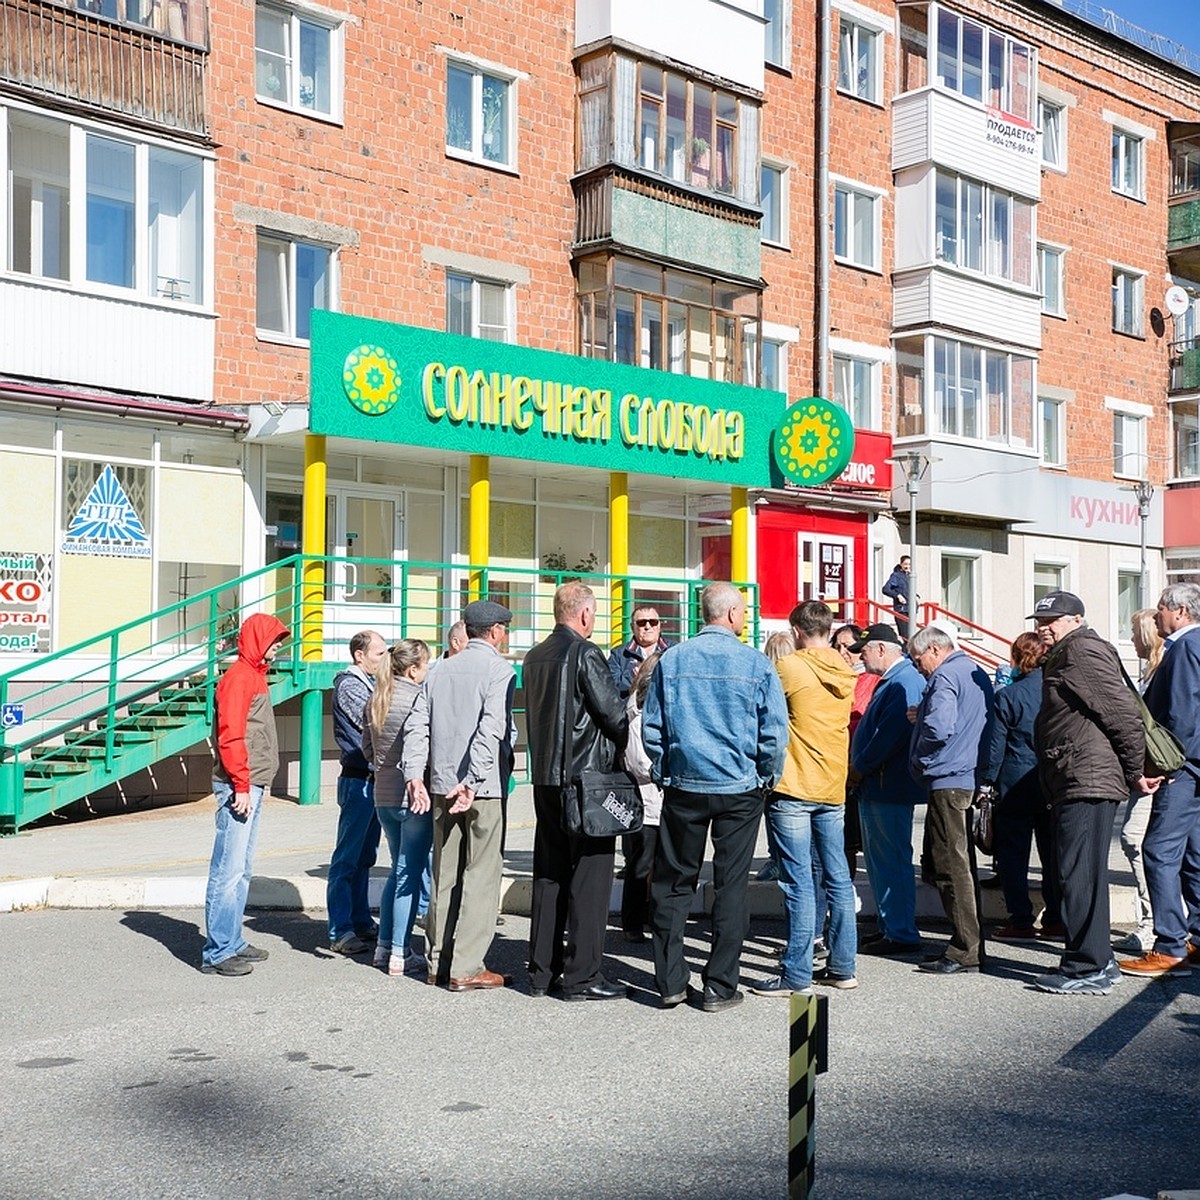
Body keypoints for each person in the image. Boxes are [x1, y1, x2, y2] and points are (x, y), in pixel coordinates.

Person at [642, 583, 787, 1012]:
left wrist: (664, 768)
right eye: (742, 612)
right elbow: (774, 734)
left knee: (673, 884)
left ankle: (670, 981)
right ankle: (720, 984)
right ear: (731, 615)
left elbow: (653, 727)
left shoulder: (673, 659)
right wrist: (766, 776)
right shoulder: (756, 663)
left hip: (685, 784)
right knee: (731, 885)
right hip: (739, 787)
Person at [1031, 591, 1144, 995]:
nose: (1044, 628)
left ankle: (1086, 967)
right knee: (1083, 875)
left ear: (1077, 619)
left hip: (1087, 778)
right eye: (1040, 621)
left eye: (1053, 620)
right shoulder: (1071, 650)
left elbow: (1122, 713)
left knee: (1077, 875)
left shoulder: (1081, 651)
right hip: (1080, 775)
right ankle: (1099, 960)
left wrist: (1135, 771)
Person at [523, 582, 629, 1000]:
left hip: (546, 777)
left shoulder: (534, 656)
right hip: (587, 782)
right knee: (590, 877)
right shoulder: (585, 653)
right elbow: (613, 715)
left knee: (548, 874)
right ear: (585, 614)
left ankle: (540, 973)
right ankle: (581, 976)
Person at [751, 601, 857, 997]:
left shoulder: (791, 667)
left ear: (797, 630)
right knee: (840, 879)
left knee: (797, 883)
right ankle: (843, 966)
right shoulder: (845, 669)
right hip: (832, 785)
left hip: (795, 785)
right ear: (829, 630)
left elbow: (767, 718)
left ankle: (796, 974)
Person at [424, 600, 517, 991]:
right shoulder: (499, 670)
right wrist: (475, 778)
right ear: (495, 632)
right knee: (482, 872)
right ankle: (466, 966)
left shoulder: (439, 669)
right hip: (481, 788)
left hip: (442, 783)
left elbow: (421, 725)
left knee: (445, 871)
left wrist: (422, 775)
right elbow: (491, 728)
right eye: (505, 629)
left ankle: (437, 961)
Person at [202, 612, 289, 976]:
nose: (279, 647)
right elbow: (231, 736)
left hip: (250, 783)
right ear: (258, 641)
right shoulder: (239, 679)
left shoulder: (254, 676)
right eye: (275, 641)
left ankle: (231, 941)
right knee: (229, 868)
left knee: (242, 869)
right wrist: (240, 785)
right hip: (240, 785)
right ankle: (218, 952)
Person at [1121, 584, 1200, 978]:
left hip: (1184, 766)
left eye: (1162, 610)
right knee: (1193, 853)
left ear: (1180, 612)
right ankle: (1197, 937)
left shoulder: (1185, 647)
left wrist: (1166, 764)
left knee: (1158, 849)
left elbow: (1182, 712)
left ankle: (1170, 945)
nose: (1158, 617)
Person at [908, 624, 994, 976]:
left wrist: (920, 756)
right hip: (966, 775)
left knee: (951, 866)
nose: (918, 668)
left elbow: (940, 728)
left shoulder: (944, 677)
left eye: (918, 660)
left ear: (934, 650)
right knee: (959, 865)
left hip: (948, 778)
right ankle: (969, 945)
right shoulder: (973, 671)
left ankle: (964, 949)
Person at [848, 624, 928, 957]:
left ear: (881, 649)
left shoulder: (903, 681)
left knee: (891, 861)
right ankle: (891, 927)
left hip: (886, 785)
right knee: (884, 861)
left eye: (863, 651)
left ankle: (900, 932)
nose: (859, 657)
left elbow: (889, 736)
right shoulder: (897, 680)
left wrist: (859, 767)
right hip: (880, 785)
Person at [981, 632, 1062, 943]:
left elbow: (995, 747)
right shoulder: (1056, 690)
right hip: (1050, 780)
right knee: (1051, 853)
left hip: (1014, 781)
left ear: (1017, 658)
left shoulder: (1009, 695)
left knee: (1013, 854)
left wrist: (987, 781)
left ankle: (1021, 919)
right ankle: (1055, 918)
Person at [363, 640, 432, 976]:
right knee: (409, 874)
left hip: (382, 796)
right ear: (412, 668)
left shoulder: (378, 697)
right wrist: (416, 779)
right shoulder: (417, 698)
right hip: (410, 796)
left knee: (395, 870)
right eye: (426, 665)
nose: (428, 670)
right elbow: (418, 742)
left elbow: (365, 747)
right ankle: (400, 953)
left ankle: (383, 947)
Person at [326, 629, 387, 956]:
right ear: (359, 655)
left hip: (373, 779)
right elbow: (375, 720)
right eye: (378, 654)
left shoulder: (371, 683)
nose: (383, 659)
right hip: (358, 779)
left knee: (366, 856)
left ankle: (361, 920)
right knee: (347, 858)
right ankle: (340, 929)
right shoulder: (350, 686)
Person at [1112, 608, 1166, 955]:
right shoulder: (1149, 673)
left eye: (1134, 632)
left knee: (1137, 840)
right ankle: (1154, 919)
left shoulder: (1162, 671)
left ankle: (1154, 924)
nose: (1131, 639)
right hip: (1147, 770)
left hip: (1157, 772)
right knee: (1140, 842)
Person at [620, 651, 664, 944]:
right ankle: (633, 922)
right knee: (641, 863)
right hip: (646, 800)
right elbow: (638, 762)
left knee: (655, 864)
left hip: (657, 801)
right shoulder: (637, 715)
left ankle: (649, 917)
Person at [833, 622, 881, 884]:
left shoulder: (871, 679)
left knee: (855, 838)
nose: (843, 652)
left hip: (858, 764)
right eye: (838, 645)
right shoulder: (837, 676)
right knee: (842, 838)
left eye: (849, 646)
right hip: (837, 764)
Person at [608, 604, 670, 699]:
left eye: (653, 622)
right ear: (632, 627)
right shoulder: (618, 654)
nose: (648, 627)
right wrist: (636, 676)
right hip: (630, 711)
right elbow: (610, 686)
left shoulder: (673, 651)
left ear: (659, 626)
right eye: (642, 623)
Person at [882, 556, 912, 639]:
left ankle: (908, 651)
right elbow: (885, 589)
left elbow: (907, 590)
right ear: (901, 564)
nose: (908, 566)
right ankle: (905, 651)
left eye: (909, 564)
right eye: (905, 564)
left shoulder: (910, 576)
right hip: (901, 609)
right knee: (905, 636)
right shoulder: (896, 576)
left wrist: (915, 596)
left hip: (911, 609)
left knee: (911, 635)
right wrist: (898, 596)